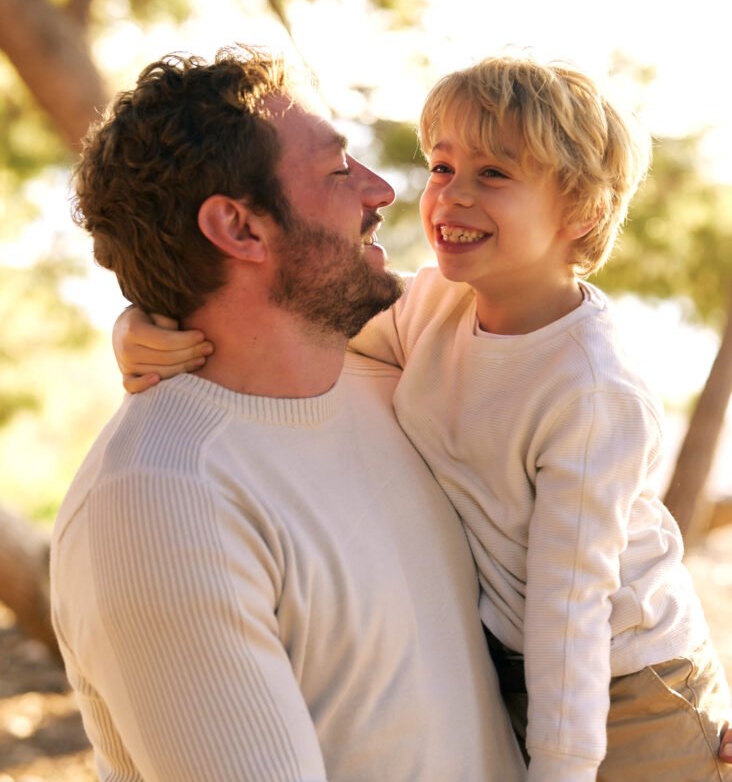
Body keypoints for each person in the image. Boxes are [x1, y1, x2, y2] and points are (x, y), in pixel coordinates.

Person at [116, 54, 732, 781]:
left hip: (628, 689)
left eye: (493, 174)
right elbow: (281, 321)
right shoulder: (433, 306)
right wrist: (142, 323)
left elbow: (574, 602)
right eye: (441, 168)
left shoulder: (590, 388)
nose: (450, 197)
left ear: (583, 212)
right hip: (528, 673)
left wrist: (561, 770)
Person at [50, 47, 527, 782]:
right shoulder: (161, 500)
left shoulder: (405, 386)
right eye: (339, 170)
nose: (381, 190)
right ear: (240, 229)